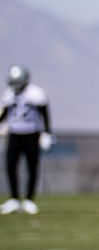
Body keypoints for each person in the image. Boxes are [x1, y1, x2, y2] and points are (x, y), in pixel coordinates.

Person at [0, 65, 53, 215]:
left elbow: (45, 114)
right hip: (14, 134)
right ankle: (14, 200)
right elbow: (3, 113)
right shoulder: (9, 94)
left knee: (32, 167)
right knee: (10, 166)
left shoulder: (36, 93)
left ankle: (29, 200)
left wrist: (47, 133)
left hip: (31, 134)